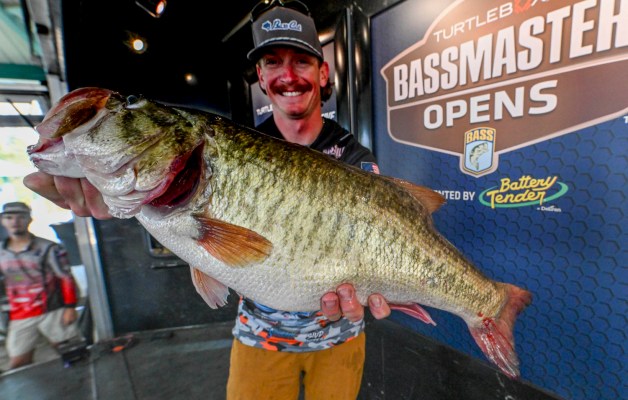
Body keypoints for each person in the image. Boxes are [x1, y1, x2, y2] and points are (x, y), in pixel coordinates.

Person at [22, 1, 391, 397]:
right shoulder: (229, 143)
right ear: (261, 78)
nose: (287, 75)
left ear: (323, 72)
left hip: (340, 337)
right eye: (272, 62)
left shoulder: (355, 157)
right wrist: (108, 183)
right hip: (259, 338)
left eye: (301, 61)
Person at [0, 202, 81, 369]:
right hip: (20, 314)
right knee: (18, 362)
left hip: (52, 310)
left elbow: (65, 277)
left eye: (20, 217)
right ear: (3, 221)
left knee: (73, 353)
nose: (15, 222)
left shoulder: (49, 248)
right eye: (9, 217)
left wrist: (70, 307)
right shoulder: (2, 252)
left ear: (29, 219)